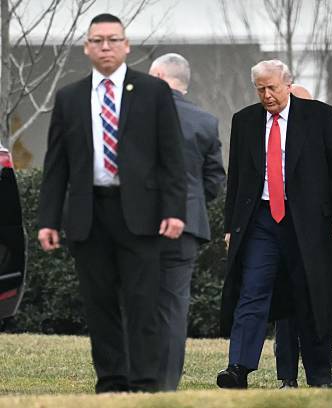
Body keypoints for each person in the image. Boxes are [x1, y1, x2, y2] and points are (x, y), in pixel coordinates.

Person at [37, 13, 186, 393]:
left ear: (126, 46)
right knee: (99, 304)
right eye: (98, 40)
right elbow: (56, 166)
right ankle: (112, 381)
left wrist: (174, 210)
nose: (106, 46)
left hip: (140, 214)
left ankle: (145, 381)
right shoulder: (69, 97)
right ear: (87, 47)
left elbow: (171, 157)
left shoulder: (153, 92)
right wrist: (48, 220)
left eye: (113, 39)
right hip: (89, 213)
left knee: (143, 303)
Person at [217, 59, 332, 389]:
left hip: (307, 222)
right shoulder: (245, 121)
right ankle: (237, 368)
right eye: (260, 89)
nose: (267, 95)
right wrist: (229, 226)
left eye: (272, 88)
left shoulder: (319, 116)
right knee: (252, 292)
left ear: (288, 84)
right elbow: (235, 179)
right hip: (261, 221)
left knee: (311, 294)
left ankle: (320, 375)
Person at [148, 53, 226, 391]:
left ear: (160, 75)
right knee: (174, 305)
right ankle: (167, 383)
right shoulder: (206, 122)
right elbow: (214, 181)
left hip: (141, 223)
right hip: (187, 224)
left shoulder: (139, 116)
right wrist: (190, 205)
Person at [272, 83, 332, 389]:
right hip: (284, 233)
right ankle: (287, 376)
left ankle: (323, 371)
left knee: (323, 306)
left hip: (317, 235)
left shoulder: (322, 133)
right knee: (287, 313)